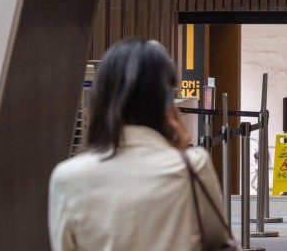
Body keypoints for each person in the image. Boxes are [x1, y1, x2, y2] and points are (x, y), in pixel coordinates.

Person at [48, 40, 233, 251]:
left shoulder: (66, 178)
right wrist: (180, 152)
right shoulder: (193, 166)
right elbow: (217, 240)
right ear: (166, 102)